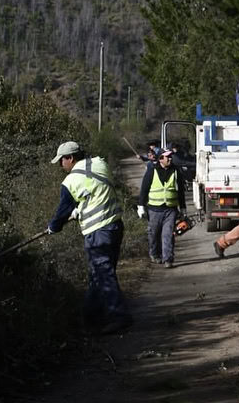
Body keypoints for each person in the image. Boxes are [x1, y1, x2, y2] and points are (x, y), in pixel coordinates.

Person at [46, 141, 132, 335]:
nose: (61, 166)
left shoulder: (70, 182)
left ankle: (119, 317)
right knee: (97, 274)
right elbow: (95, 192)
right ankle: (90, 317)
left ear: (70, 158)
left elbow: (62, 211)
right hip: (115, 226)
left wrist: (53, 227)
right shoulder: (100, 164)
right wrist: (80, 209)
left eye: (61, 161)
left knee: (104, 274)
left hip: (97, 232)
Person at [137, 147, 187, 268]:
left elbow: (180, 191)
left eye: (170, 156)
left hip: (171, 210)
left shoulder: (176, 171)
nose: (170, 158)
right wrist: (140, 206)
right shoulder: (151, 171)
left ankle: (168, 259)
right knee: (154, 234)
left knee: (168, 234)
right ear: (160, 159)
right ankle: (154, 254)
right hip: (154, 210)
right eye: (167, 157)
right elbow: (144, 189)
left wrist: (183, 208)